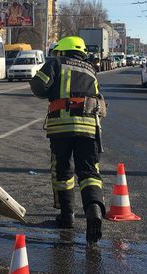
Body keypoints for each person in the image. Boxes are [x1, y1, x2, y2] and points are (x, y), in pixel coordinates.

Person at [30, 36, 106, 244]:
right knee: (89, 172)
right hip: (90, 128)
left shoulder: (55, 63)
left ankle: (67, 217)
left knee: (62, 171)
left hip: (62, 128)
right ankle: (94, 210)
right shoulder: (91, 70)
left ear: (62, 51)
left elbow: (38, 86)